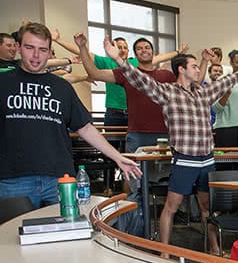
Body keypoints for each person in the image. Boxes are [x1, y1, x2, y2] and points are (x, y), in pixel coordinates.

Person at [105, 38, 238, 254]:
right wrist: (118, 58)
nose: (198, 70)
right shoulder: (168, 92)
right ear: (182, 70)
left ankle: (214, 248)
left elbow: (223, 83)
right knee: (172, 207)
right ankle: (165, 253)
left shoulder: (203, 93)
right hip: (185, 159)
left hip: (207, 159)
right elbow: (141, 80)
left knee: (206, 207)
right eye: (194, 66)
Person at [0, 23, 141, 208]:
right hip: (13, 179)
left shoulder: (62, 87)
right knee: (12, 234)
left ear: (50, 52)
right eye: (29, 48)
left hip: (60, 178)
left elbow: (86, 127)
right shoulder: (4, 83)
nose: (36, 55)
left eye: (42, 50)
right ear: (19, 48)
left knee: (67, 233)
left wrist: (117, 156)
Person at [76, 33, 176, 195]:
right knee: (133, 178)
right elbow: (95, 73)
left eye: (147, 47)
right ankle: (134, 213)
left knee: (166, 178)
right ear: (135, 55)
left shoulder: (167, 75)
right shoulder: (126, 73)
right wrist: (82, 48)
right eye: (139, 48)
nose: (144, 50)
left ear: (152, 52)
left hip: (165, 135)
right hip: (137, 135)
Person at [52, 29, 185, 127]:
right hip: (114, 113)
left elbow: (159, 57)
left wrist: (178, 52)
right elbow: (83, 52)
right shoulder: (107, 62)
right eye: (119, 47)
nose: (122, 50)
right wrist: (58, 41)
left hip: (134, 114)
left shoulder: (134, 64)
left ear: (129, 51)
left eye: (125, 47)